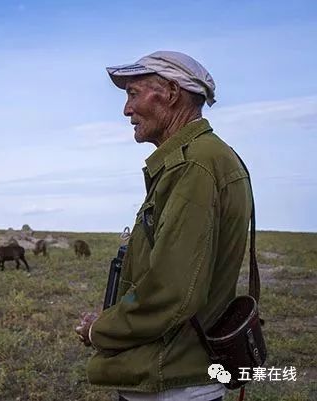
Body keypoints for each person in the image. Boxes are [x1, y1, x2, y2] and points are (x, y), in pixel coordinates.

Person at [75, 51, 253, 401]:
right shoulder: (208, 157)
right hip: (177, 371)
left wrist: (99, 330)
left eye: (133, 94)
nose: (126, 110)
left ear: (171, 93)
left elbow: (172, 291)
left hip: (171, 380)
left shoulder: (194, 166)